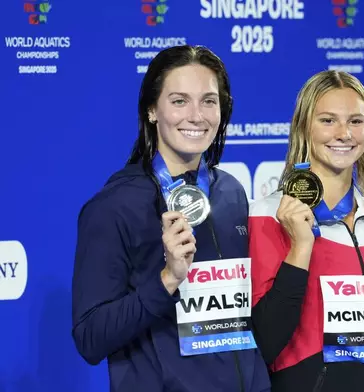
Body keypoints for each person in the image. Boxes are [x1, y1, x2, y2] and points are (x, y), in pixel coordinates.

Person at [71, 45, 270, 392]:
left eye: (209, 101)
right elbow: (90, 338)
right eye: (179, 101)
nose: (197, 115)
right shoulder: (114, 206)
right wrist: (167, 280)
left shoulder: (232, 192)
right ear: (151, 110)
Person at [248, 70, 364, 392]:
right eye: (328, 120)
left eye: (356, 121)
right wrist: (300, 249)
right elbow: (263, 343)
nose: (344, 133)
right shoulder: (265, 215)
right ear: (304, 127)